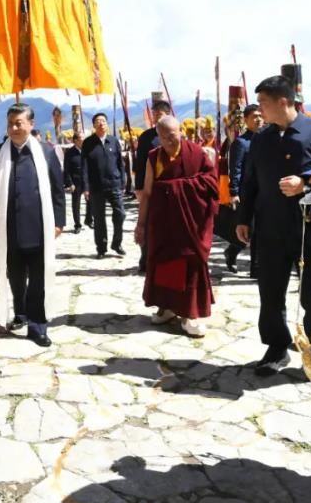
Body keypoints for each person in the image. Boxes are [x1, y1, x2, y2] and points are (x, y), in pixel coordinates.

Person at [236, 75, 311, 375]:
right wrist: (244, 218)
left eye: (263, 103)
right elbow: (250, 182)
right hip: (270, 227)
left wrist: (306, 181)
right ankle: (276, 346)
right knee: (270, 292)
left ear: (282, 101)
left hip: (309, 229)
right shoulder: (261, 139)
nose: (259, 109)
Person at [0, 103, 65, 347]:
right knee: (16, 275)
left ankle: (37, 325)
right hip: (8, 227)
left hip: (40, 226)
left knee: (38, 277)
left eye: (19, 123)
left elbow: (57, 190)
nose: (14, 128)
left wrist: (59, 221)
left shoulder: (46, 152)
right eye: (10, 123)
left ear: (31, 124)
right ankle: (20, 311)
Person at [135, 116, 218, 337]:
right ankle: (168, 307)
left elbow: (211, 183)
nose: (168, 141)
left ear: (180, 131)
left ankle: (190, 314)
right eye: (163, 137)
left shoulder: (197, 154)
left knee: (190, 264)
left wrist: (174, 188)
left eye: (172, 135)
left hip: (190, 223)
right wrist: (140, 225)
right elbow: (148, 193)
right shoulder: (154, 157)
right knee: (164, 263)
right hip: (163, 223)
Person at [81, 112, 126, 258]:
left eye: (103, 121)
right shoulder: (88, 143)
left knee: (120, 214)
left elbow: (120, 163)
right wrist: (86, 187)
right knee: (99, 219)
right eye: (98, 121)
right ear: (94, 125)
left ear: (107, 124)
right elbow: (84, 167)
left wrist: (123, 182)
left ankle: (117, 243)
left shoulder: (114, 141)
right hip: (96, 187)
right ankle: (101, 247)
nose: (101, 123)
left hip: (114, 184)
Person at [134, 101, 172, 272]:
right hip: (149, 186)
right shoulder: (146, 137)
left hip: (170, 187)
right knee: (147, 222)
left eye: (160, 113)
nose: (156, 116)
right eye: (154, 114)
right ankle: (145, 257)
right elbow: (140, 163)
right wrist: (139, 187)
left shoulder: (174, 135)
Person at [227, 104, 264, 274]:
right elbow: (235, 168)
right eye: (254, 116)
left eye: (260, 116)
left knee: (259, 229)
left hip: (264, 192)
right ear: (246, 120)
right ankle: (255, 268)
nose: (258, 119)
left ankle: (232, 250)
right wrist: (234, 192)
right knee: (252, 229)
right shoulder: (241, 143)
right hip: (247, 193)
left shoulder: (266, 140)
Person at [63, 132, 86, 233]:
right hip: (76, 182)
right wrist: (69, 183)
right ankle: (77, 224)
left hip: (87, 181)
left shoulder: (87, 150)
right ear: (75, 140)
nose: (84, 140)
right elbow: (66, 169)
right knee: (76, 204)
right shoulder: (70, 153)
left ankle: (90, 219)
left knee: (91, 202)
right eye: (81, 138)